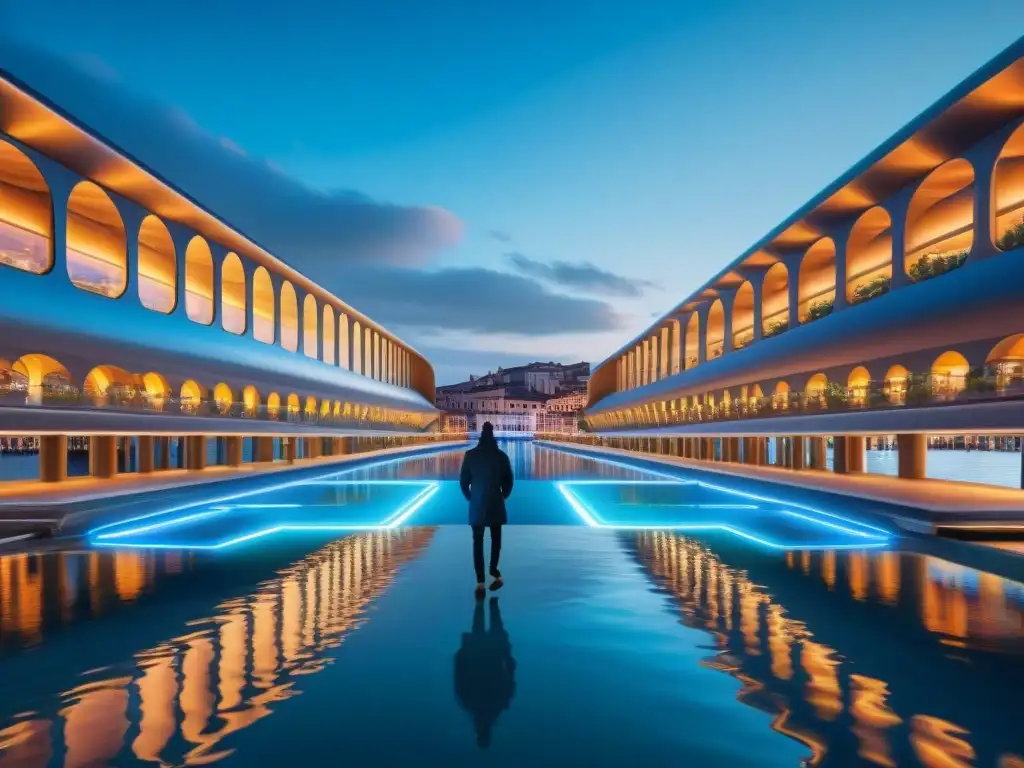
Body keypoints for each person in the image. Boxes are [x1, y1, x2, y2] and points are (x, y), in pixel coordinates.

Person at [459, 421, 513, 596]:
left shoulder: (470, 455)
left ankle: (480, 581)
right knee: (496, 539)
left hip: (477, 504)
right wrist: (502, 496)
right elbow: (509, 481)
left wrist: (471, 498)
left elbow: (463, 482)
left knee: (477, 541)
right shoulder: (501, 456)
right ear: (493, 437)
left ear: (480, 437)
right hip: (495, 502)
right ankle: (494, 570)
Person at [453, 597, 516, 749]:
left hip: (485, 656)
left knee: (489, 626)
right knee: (484, 626)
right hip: (484, 656)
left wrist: (508, 660)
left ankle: (488, 602)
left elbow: (510, 679)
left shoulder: (494, 705)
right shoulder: (473, 704)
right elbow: (459, 675)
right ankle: (486, 602)